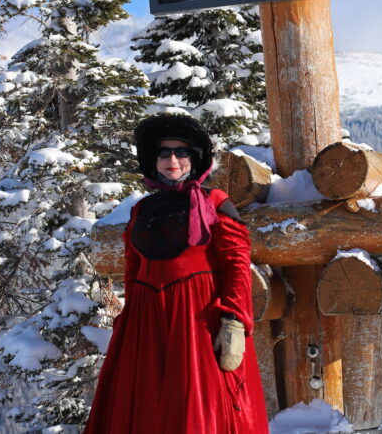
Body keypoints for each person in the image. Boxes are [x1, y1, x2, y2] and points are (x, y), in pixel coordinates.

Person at [85, 114, 269, 433]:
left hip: (195, 321)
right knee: (145, 409)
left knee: (193, 408)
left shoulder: (214, 203)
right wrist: (128, 325)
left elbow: (236, 263)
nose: (172, 159)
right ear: (152, 160)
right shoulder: (141, 210)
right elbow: (133, 268)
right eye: (164, 152)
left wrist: (235, 321)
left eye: (181, 152)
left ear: (195, 158)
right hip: (145, 323)